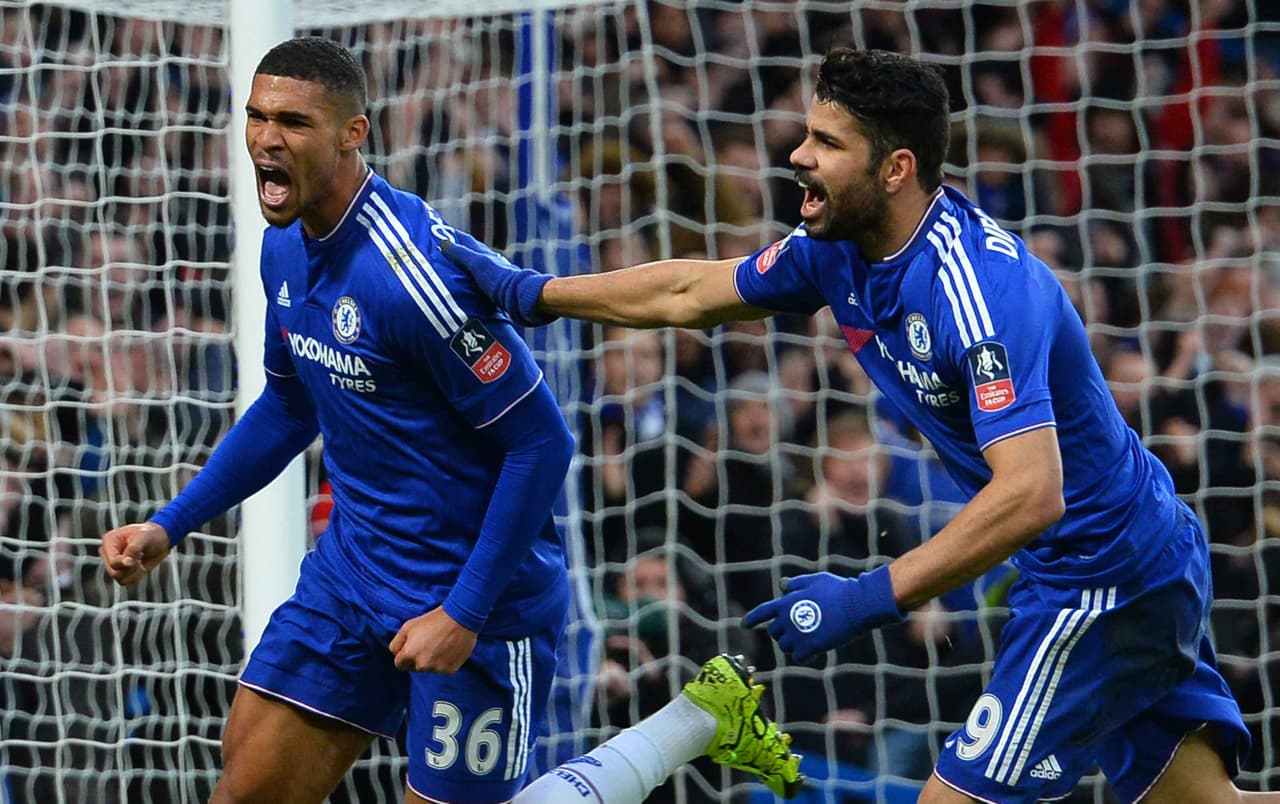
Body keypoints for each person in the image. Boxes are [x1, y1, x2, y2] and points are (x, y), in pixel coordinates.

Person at [441, 48, 1264, 804]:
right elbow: (687, 294)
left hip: (1105, 574)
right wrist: (534, 295)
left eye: (828, 142)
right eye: (807, 133)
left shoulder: (979, 293)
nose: (800, 156)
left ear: (896, 167)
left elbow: (1033, 491)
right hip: (1093, 562)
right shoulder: (835, 250)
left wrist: (868, 597)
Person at [97, 37, 799, 804]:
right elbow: (291, 403)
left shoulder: (411, 279)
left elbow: (542, 442)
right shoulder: (284, 249)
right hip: (351, 577)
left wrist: (462, 614)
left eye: (294, 122)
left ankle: (696, 721)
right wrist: (172, 523)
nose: (267, 138)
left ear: (351, 134)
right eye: (257, 117)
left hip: (476, 600)